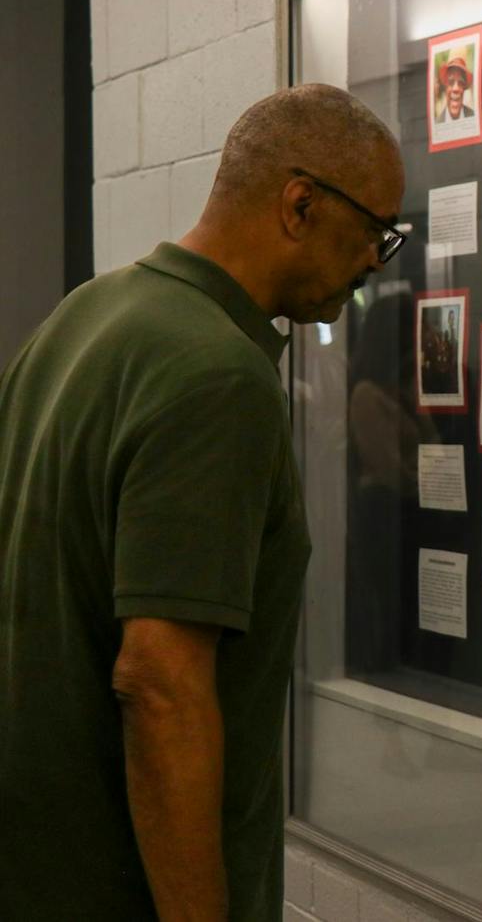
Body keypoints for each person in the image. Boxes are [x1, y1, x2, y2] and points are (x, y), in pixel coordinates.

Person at [0, 84, 405, 921]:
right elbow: (159, 684)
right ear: (300, 204)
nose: (375, 262)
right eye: (375, 233)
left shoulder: (85, 315)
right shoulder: (218, 376)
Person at [434, 50, 475, 123]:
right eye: (451, 82)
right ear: (445, 86)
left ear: (464, 88)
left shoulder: (473, 117)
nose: (456, 89)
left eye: (460, 83)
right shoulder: (437, 123)